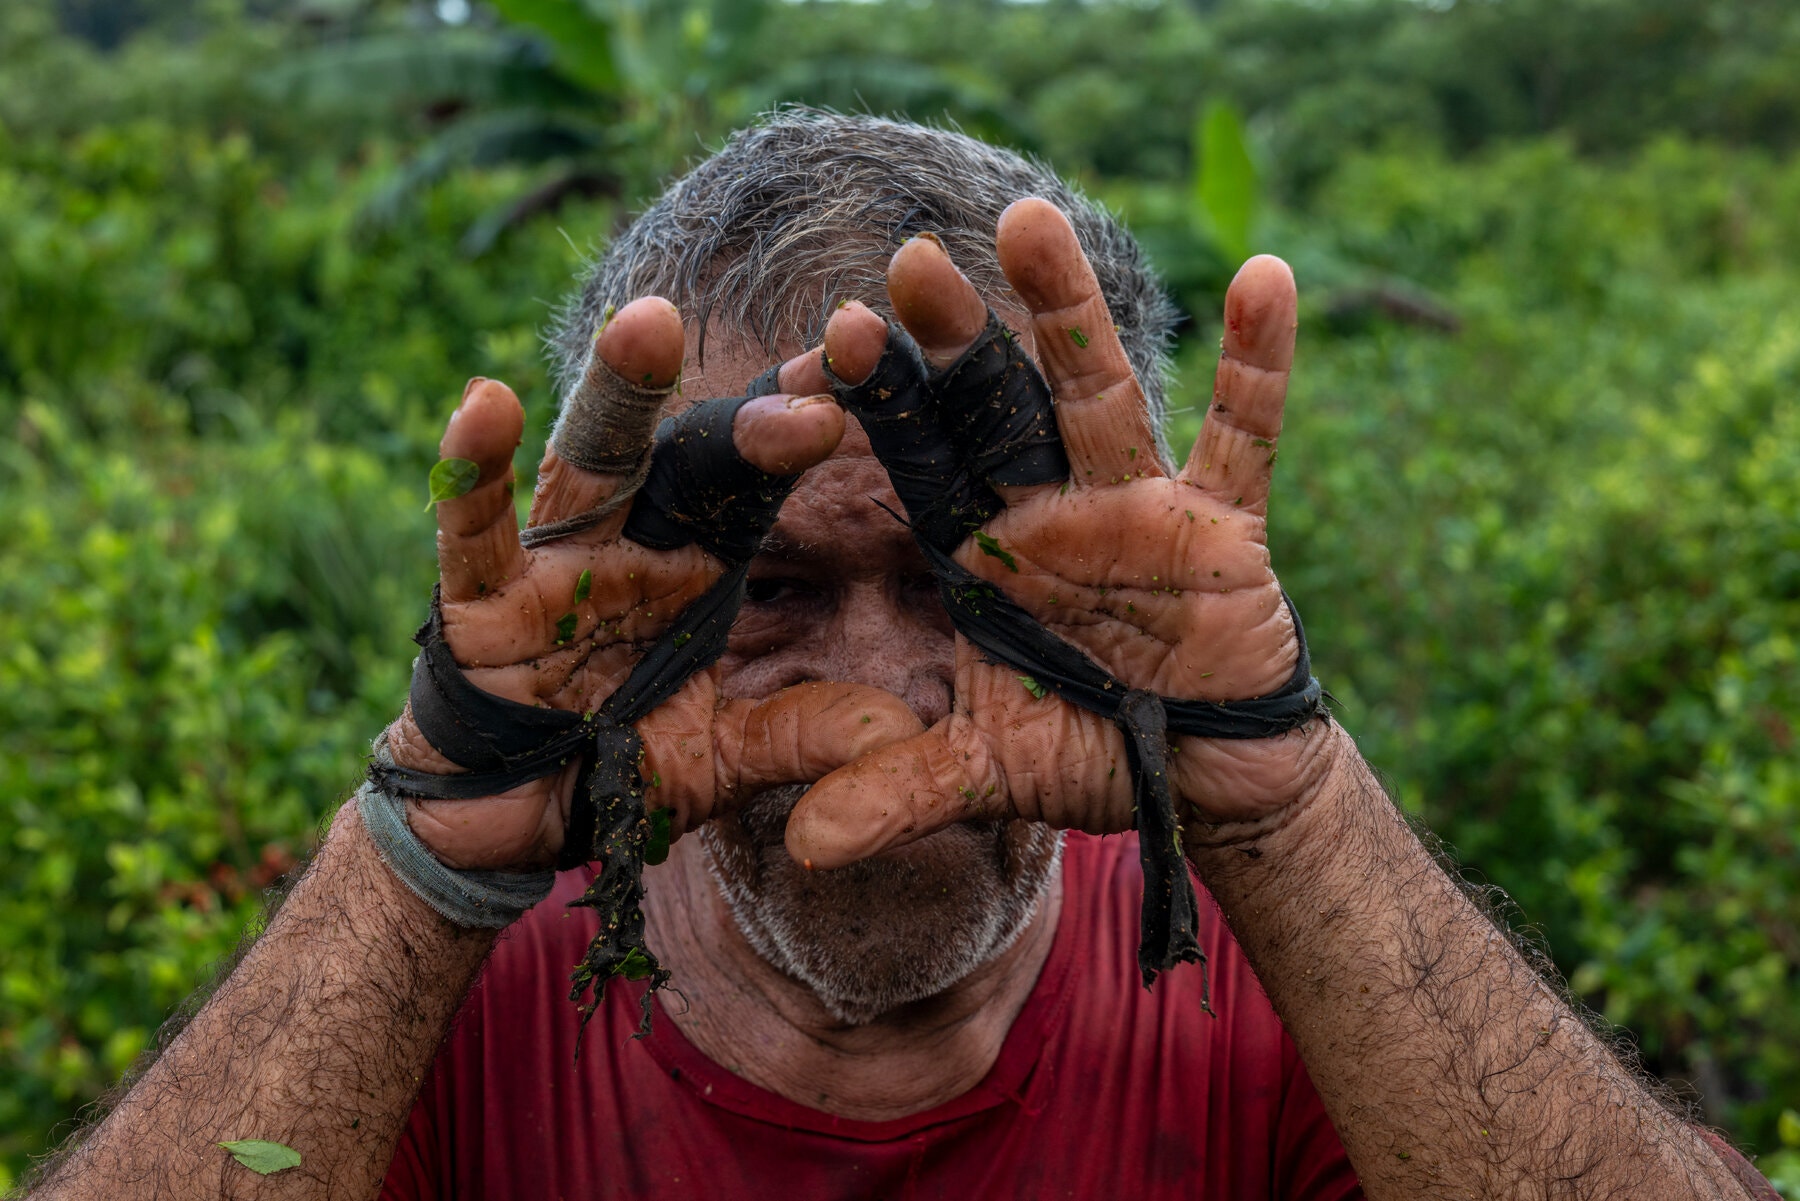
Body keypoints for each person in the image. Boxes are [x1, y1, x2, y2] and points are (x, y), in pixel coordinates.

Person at [22, 111, 1777, 1201]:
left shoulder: (1294, 1001)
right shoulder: (441, 1021)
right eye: (770, 593)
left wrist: (1283, 795)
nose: (887, 685)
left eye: (975, 588)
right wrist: (425, 841)